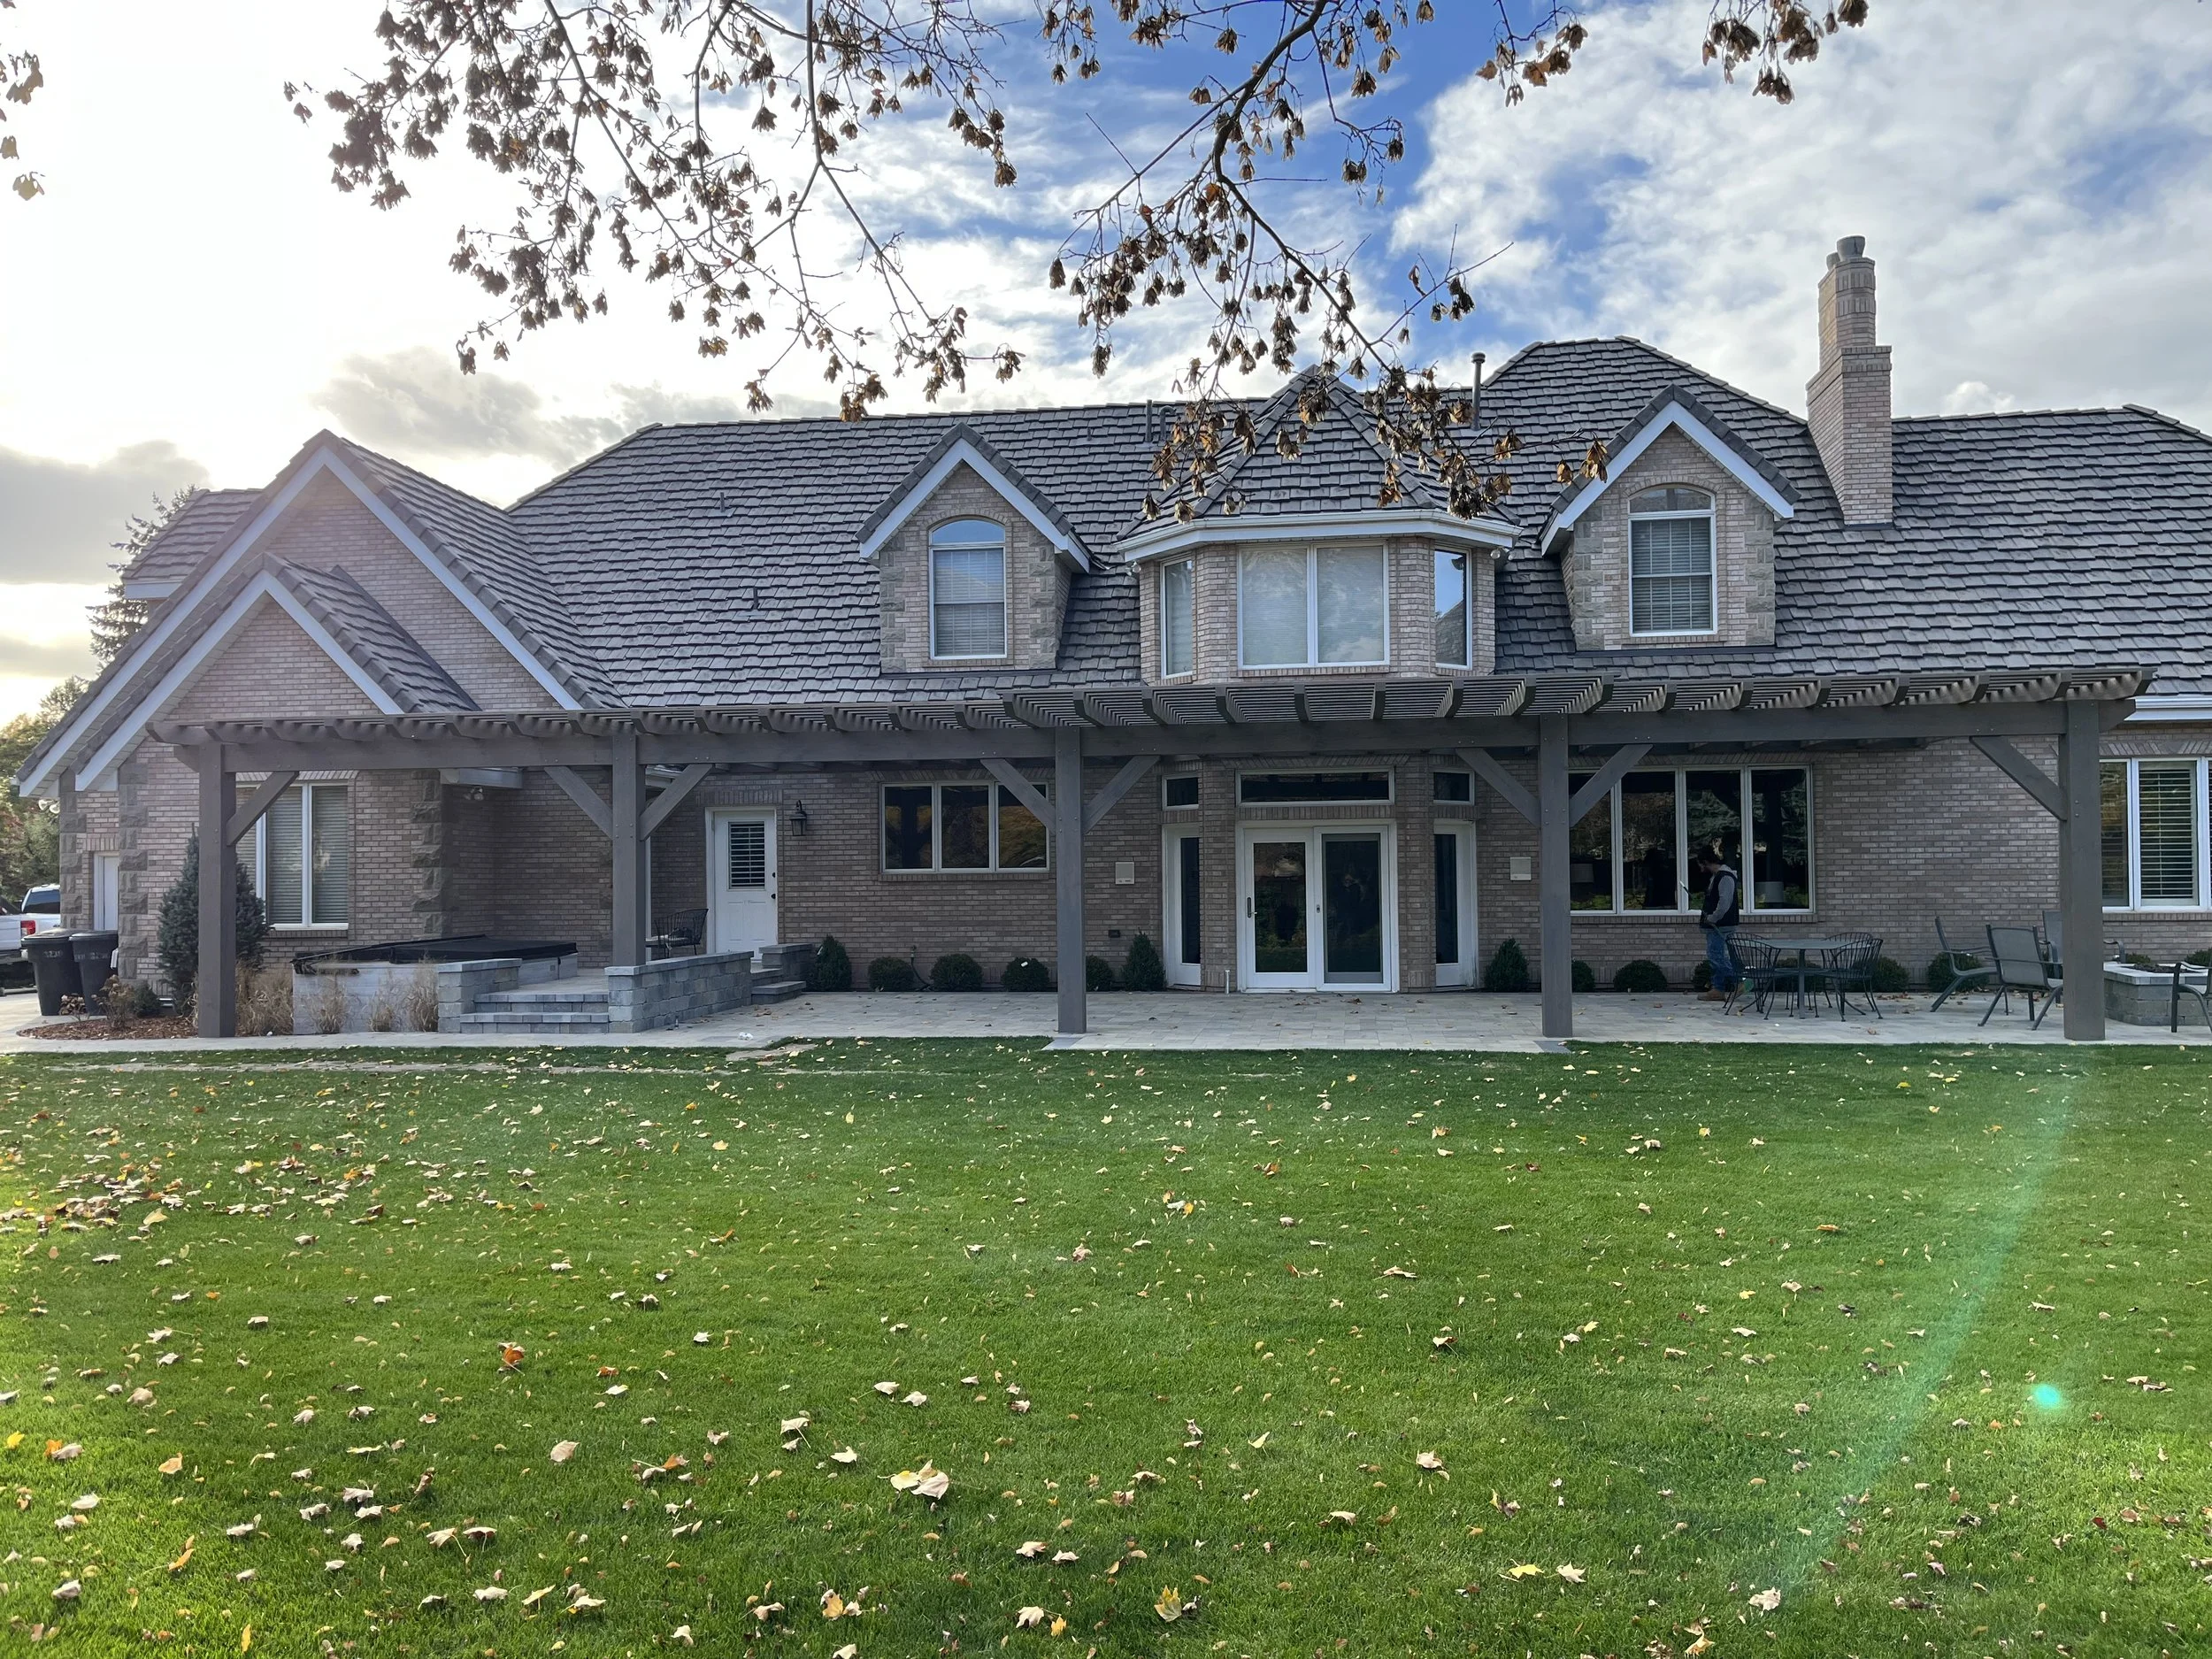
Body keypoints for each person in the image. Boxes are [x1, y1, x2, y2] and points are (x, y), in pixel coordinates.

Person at [1695, 846, 1740, 1002]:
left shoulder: (1725, 877)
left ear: (1706, 862)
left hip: (1721, 925)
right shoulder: (1717, 877)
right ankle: (1718, 989)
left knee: (1716, 956)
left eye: (1701, 865)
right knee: (1717, 955)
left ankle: (1739, 980)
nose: (1701, 869)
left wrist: (1713, 918)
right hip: (1718, 924)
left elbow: (1724, 903)